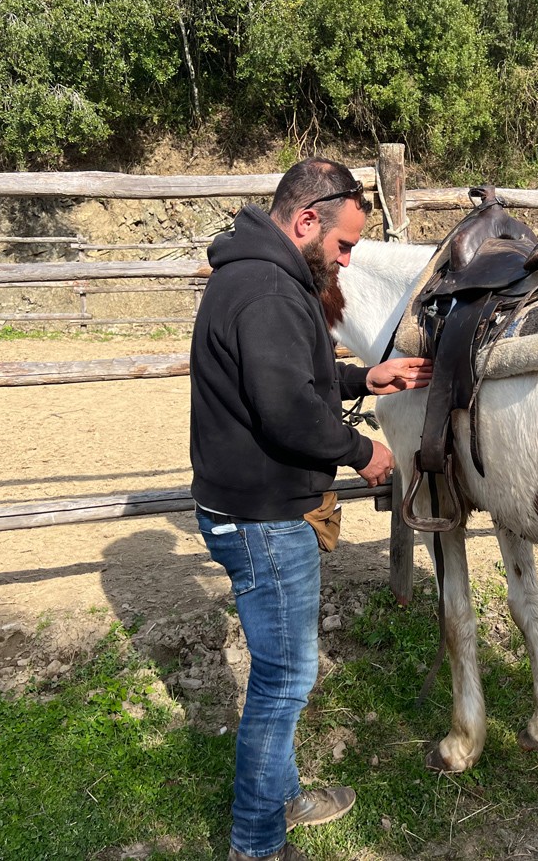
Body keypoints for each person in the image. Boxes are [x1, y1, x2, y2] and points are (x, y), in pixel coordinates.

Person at [190, 157, 433, 861]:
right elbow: (289, 407)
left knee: (280, 674)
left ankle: (284, 795)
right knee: (284, 681)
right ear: (306, 220)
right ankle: (258, 844)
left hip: (253, 507)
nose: (348, 259)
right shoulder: (267, 289)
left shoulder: (261, 275)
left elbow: (294, 371)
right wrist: (365, 454)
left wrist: (365, 375)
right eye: (345, 245)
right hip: (264, 517)